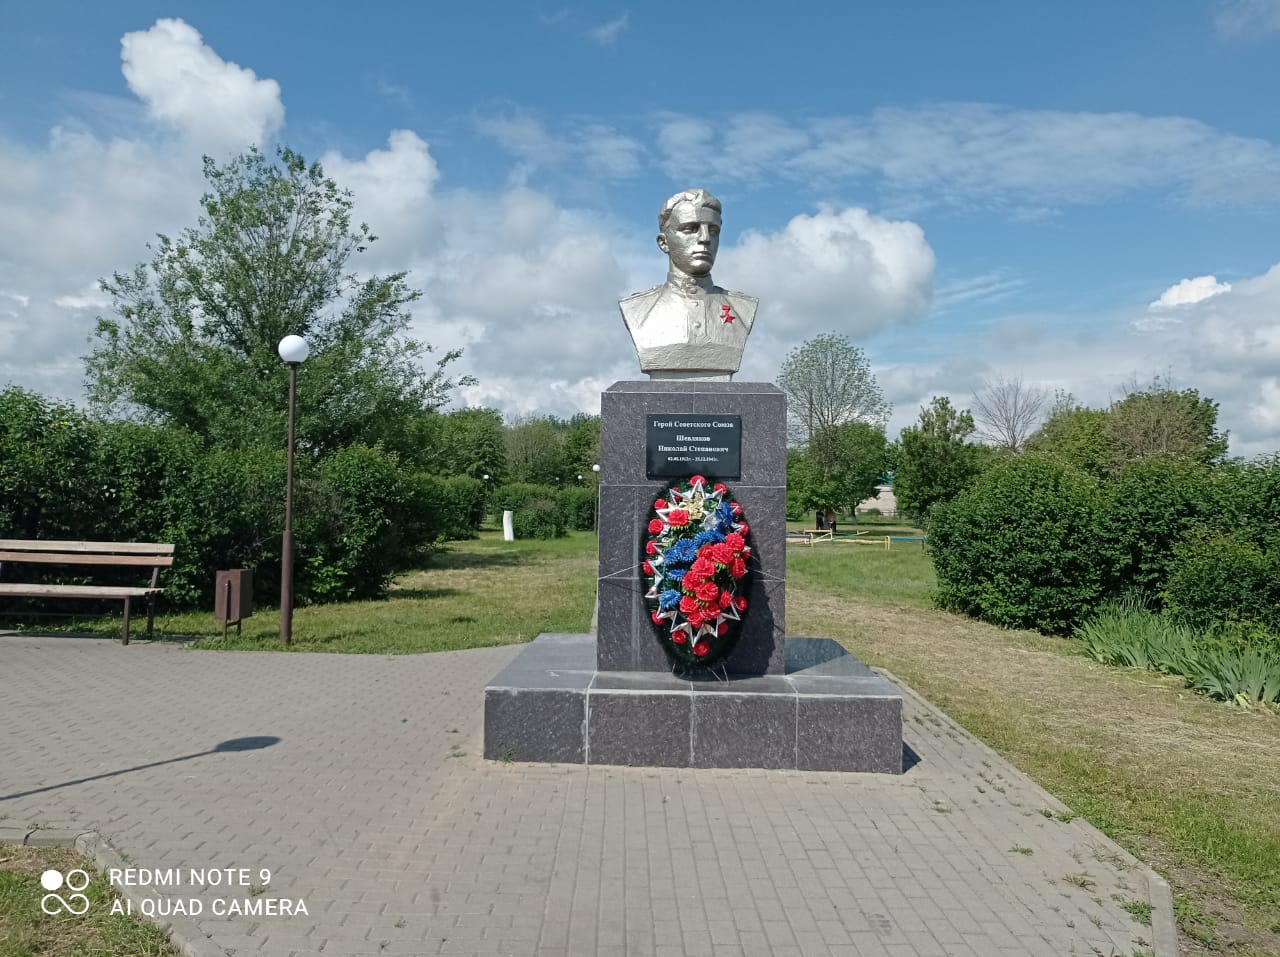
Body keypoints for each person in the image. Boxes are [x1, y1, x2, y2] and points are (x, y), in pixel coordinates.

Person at [619, 188, 758, 379]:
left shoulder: (742, 308)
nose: (705, 238)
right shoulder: (637, 309)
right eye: (690, 229)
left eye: (713, 230)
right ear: (664, 243)